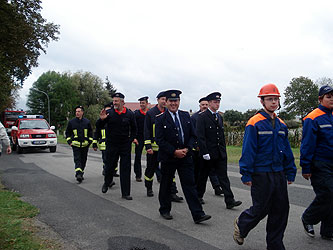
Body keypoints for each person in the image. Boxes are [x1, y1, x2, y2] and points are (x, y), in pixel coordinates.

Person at [234, 84, 297, 250]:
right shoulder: (254, 122)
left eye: (276, 99)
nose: (274, 102)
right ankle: (242, 224)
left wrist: (290, 171)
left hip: (278, 172)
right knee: (261, 208)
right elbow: (248, 149)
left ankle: (275, 245)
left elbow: (287, 150)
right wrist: (246, 173)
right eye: (270, 99)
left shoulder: (282, 124)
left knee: (281, 210)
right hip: (261, 172)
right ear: (262, 101)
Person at [155, 89, 211, 223]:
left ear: (179, 102)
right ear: (166, 102)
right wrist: (174, 151)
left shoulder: (186, 116)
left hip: (185, 157)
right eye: (171, 101)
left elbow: (193, 135)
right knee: (166, 185)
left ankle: (198, 214)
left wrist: (187, 148)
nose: (174, 104)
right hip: (169, 157)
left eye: (176, 101)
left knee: (190, 185)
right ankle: (164, 209)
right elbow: (159, 140)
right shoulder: (160, 119)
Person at [196, 92, 242, 208]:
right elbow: (201, 136)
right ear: (210, 103)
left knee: (223, 177)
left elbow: (220, 136)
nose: (217, 104)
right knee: (203, 176)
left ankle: (229, 200)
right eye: (215, 102)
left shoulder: (219, 117)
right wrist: (204, 152)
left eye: (219, 102)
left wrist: (224, 151)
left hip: (219, 153)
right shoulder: (202, 117)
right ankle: (198, 196)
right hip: (208, 154)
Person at [300, 85, 333, 241]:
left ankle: (328, 230)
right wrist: (306, 167)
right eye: (328, 96)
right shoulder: (312, 118)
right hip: (320, 163)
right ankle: (308, 218)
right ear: (320, 99)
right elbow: (307, 144)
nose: (332, 98)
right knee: (327, 193)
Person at [143, 91, 183, 201]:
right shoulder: (151, 113)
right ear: (158, 100)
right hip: (154, 148)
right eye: (162, 99)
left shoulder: (169, 112)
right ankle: (149, 187)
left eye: (166, 99)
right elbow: (146, 131)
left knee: (170, 170)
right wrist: (148, 146)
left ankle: (172, 192)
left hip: (166, 149)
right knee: (151, 169)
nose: (164, 101)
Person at [99, 92, 137, 200]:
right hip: (112, 144)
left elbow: (134, 128)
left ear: (122, 102)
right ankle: (106, 183)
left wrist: (131, 139)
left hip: (125, 145)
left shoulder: (129, 114)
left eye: (116, 101)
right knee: (110, 166)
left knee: (125, 169)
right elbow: (100, 126)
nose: (114, 103)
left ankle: (126, 193)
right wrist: (102, 119)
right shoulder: (109, 113)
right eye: (113, 101)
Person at [191, 97, 223, 198]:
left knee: (212, 170)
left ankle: (217, 188)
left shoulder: (215, 116)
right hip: (197, 149)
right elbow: (194, 133)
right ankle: (197, 193)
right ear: (199, 106)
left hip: (210, 149)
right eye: (202, 105)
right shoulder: (195, 117)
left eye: (206, 105)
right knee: (199, 173)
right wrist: (196, 145)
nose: (204, 106)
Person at [65, 105, 93, 183]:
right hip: (75, 145)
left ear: (82, 112)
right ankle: (78, 174)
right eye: (76, 111)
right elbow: (67, 133)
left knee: (83, 160)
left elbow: (90, 132)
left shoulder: (87, 122)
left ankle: (81, 173)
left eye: (79, 111)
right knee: (77, 159)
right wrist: (69, 141)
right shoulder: (71, 122)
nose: (77, 113)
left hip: (85, 145)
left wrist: (90, 141)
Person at [133, 96, 149, 182]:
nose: (142, 104)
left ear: (147, 103)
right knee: (138, 157)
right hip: (139, 138)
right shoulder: (136, 114)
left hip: (148, 137)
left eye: (143, 103)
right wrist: (134, 138)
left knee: (152, 157)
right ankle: (138, 175)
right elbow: (133, 126)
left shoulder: (150, 113)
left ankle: (158, 175)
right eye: (141, 103)